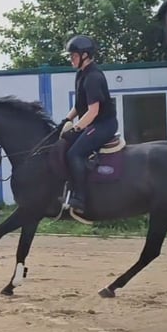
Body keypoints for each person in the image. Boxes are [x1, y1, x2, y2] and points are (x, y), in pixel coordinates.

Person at [56, 35, 118, 214]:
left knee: (74, 153)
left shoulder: (93, 77)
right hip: (92, 123)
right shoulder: (81, 75)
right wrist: (66, 121)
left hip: (103, 124)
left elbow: (93, 111)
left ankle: (81, 199)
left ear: (85, 55)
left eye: (73, 56)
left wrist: (76, 128)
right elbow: (79, 106)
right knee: (65, 144)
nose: (71, 59)